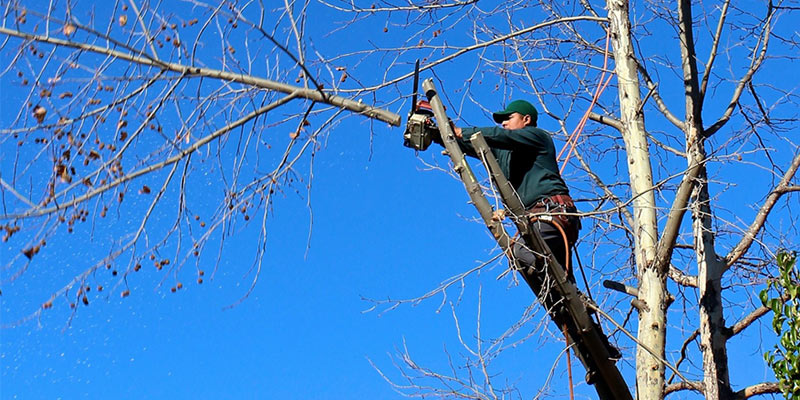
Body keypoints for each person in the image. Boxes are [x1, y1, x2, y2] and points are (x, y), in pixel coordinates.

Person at [447, 99, 580, 275]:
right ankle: (571, 299)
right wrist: (442, 132)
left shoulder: (537, 137)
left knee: (523, 253)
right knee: (556, 289)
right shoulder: (503, 152)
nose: (504, 123)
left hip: (553, 213)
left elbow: (501, 136)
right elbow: (470, 144)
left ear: (526, 120)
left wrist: (460, 131)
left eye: (509, 118)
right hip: (536, 220)